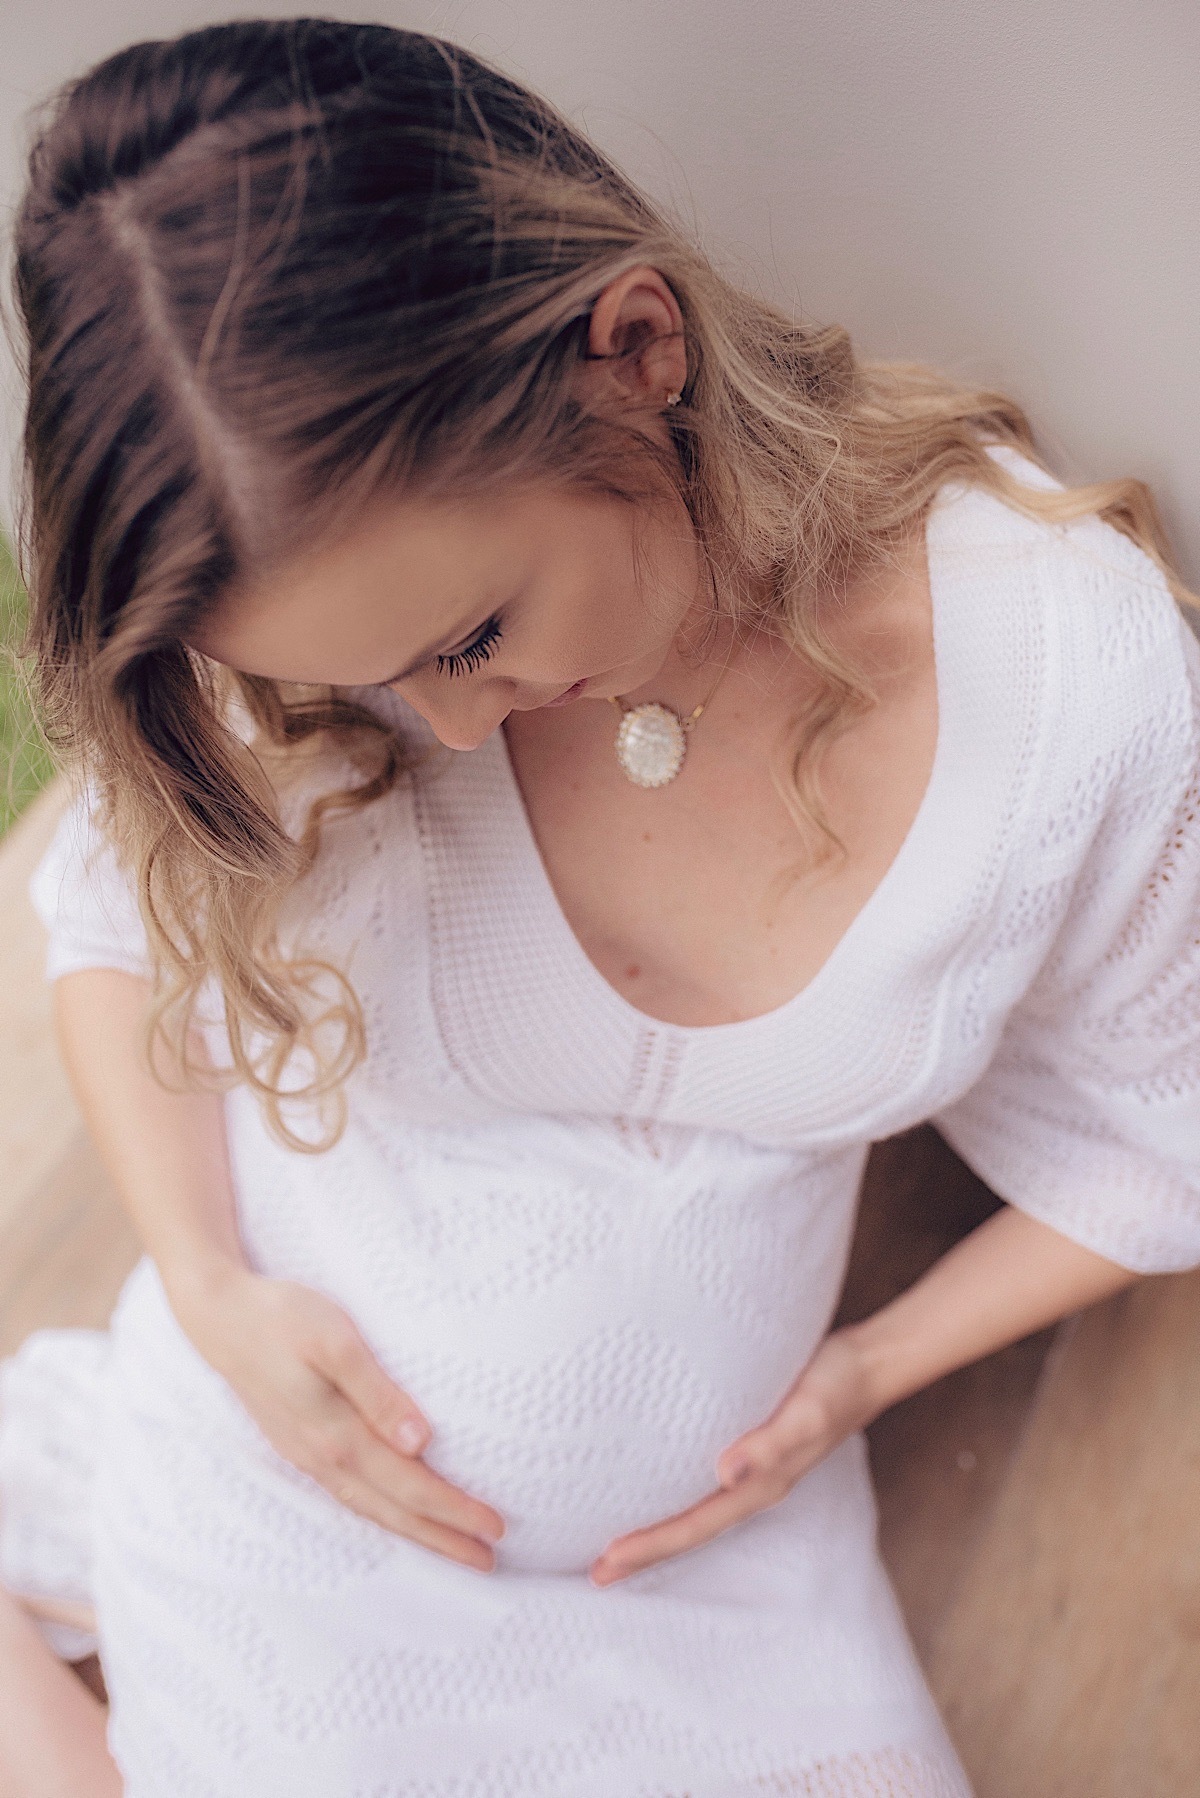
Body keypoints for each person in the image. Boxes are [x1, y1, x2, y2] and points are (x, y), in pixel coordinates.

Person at [1, 16, 1198, 1796]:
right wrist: (204, 1282)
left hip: (719, 1583)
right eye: (380, 680)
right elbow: (115, 905)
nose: (445, 726)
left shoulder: (1063, 683)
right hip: (282, 1461)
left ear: (634, 347)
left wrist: (861, 1376)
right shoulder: (305, 653)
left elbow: (1164, 1133)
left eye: (472, 637)